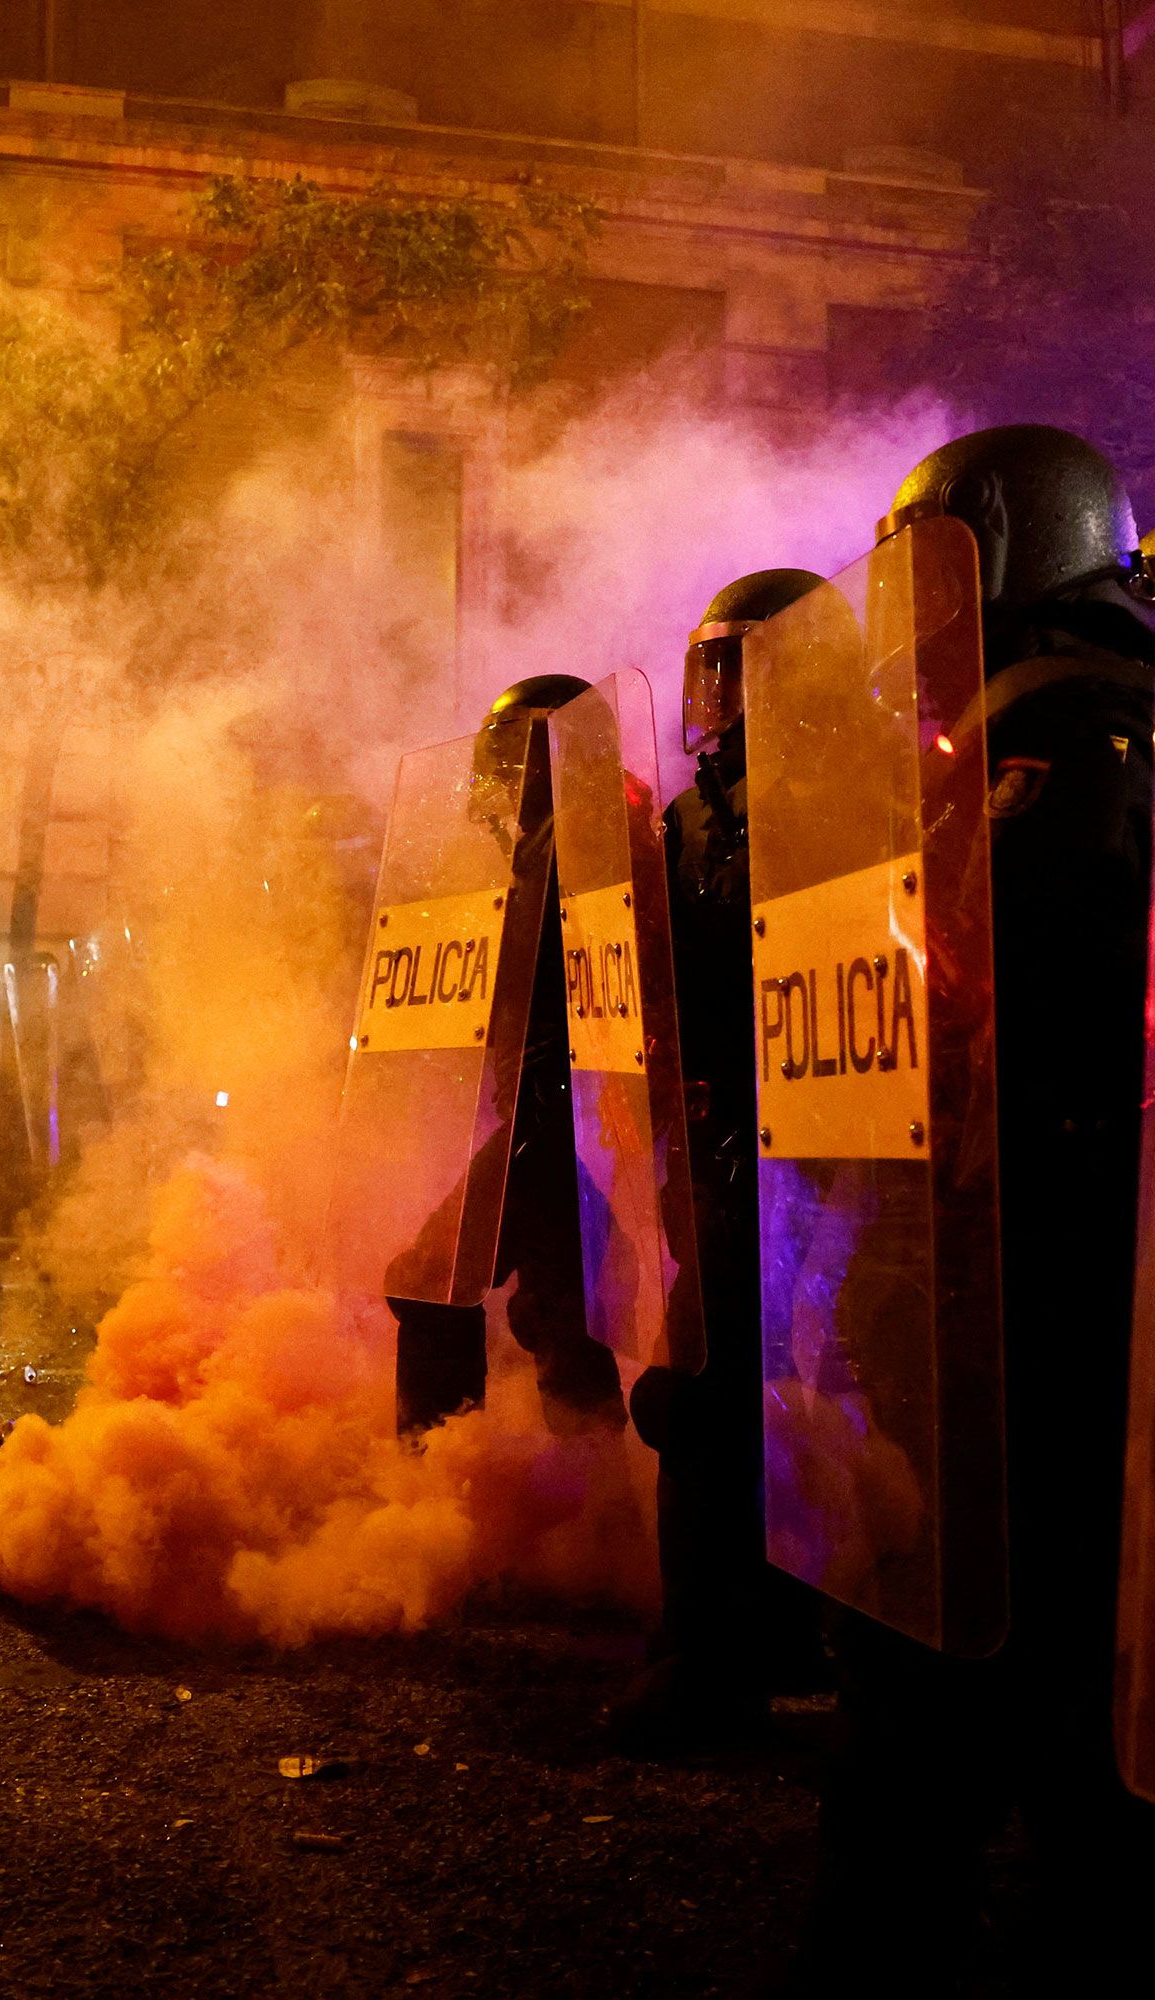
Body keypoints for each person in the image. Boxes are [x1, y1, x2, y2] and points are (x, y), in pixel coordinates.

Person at [798, 425, 1155, 1989]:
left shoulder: (1068, 733)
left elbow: (1003, 1013)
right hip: (1026, 1273)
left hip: (1036, 1279)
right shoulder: (1032, 723)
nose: (899, 603)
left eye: (927, 562)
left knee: (963, 1660)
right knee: (1055, 1664)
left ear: (1009, 547)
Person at [605, 568, 833, 1756]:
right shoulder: (690, 822)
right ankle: (708, 1648)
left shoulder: (856, 792)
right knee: (697, 1391)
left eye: (738, 667)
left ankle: (756, 1641)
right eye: (708, 669)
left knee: (799, 1403)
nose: (717, 698)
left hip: (836, 1166)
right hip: (722, 1157)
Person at [388, 675, 625, 1439]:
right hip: (555, 1122)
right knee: (560, 1318)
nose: (493, 786)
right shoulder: (540, 856)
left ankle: (441, 1494)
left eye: (512, 760)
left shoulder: (590, 843)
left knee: (431, 1281)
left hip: (557, 1120)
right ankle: (587, 1517)